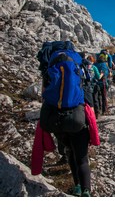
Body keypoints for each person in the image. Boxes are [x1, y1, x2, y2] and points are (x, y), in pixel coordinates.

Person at [39, 43, 92, 197]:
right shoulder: (78, 65)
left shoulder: (50, 65)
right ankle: (86, 191)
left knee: (70, 152)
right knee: (82, 158)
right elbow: (86, 87)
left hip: (54, 119)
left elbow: (44, 95)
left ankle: (76, 187)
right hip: (76, 116)